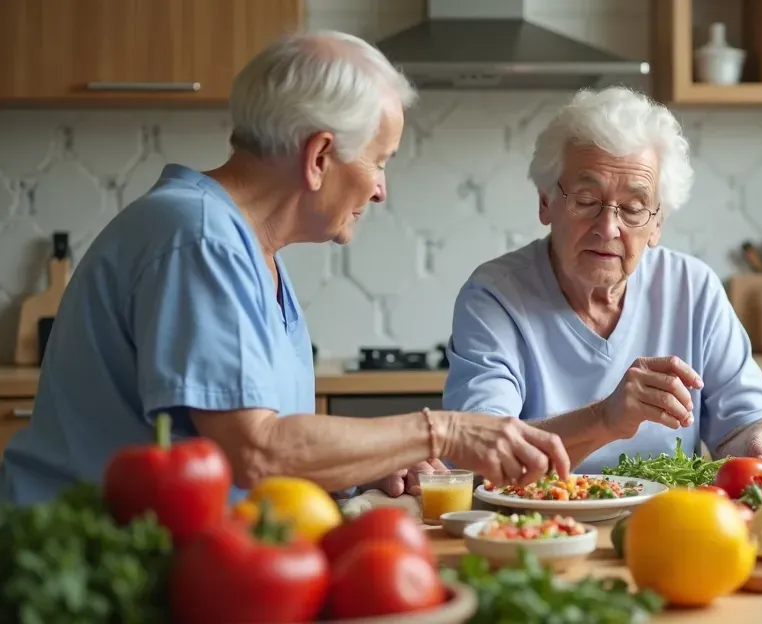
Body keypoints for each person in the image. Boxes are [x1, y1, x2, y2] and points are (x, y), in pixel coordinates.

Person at [0, 30, 569, 507]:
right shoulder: (200, 240)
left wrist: (361, 467)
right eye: (379, 161)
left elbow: (262, 457)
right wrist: (442, 429)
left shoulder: (245, 247)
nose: (380, 190)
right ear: (319, 156)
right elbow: (255, 451)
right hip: (85, 571)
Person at [441, 86, 762, 482]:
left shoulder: (693, 289)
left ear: (657, 224)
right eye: (585, 199)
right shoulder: (496, 295)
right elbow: (477, 456)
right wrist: (605, 419)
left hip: (669, 527)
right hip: (540, 530)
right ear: (545, 202)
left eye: (633, 209)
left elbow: (744, 423)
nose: (608, 228)